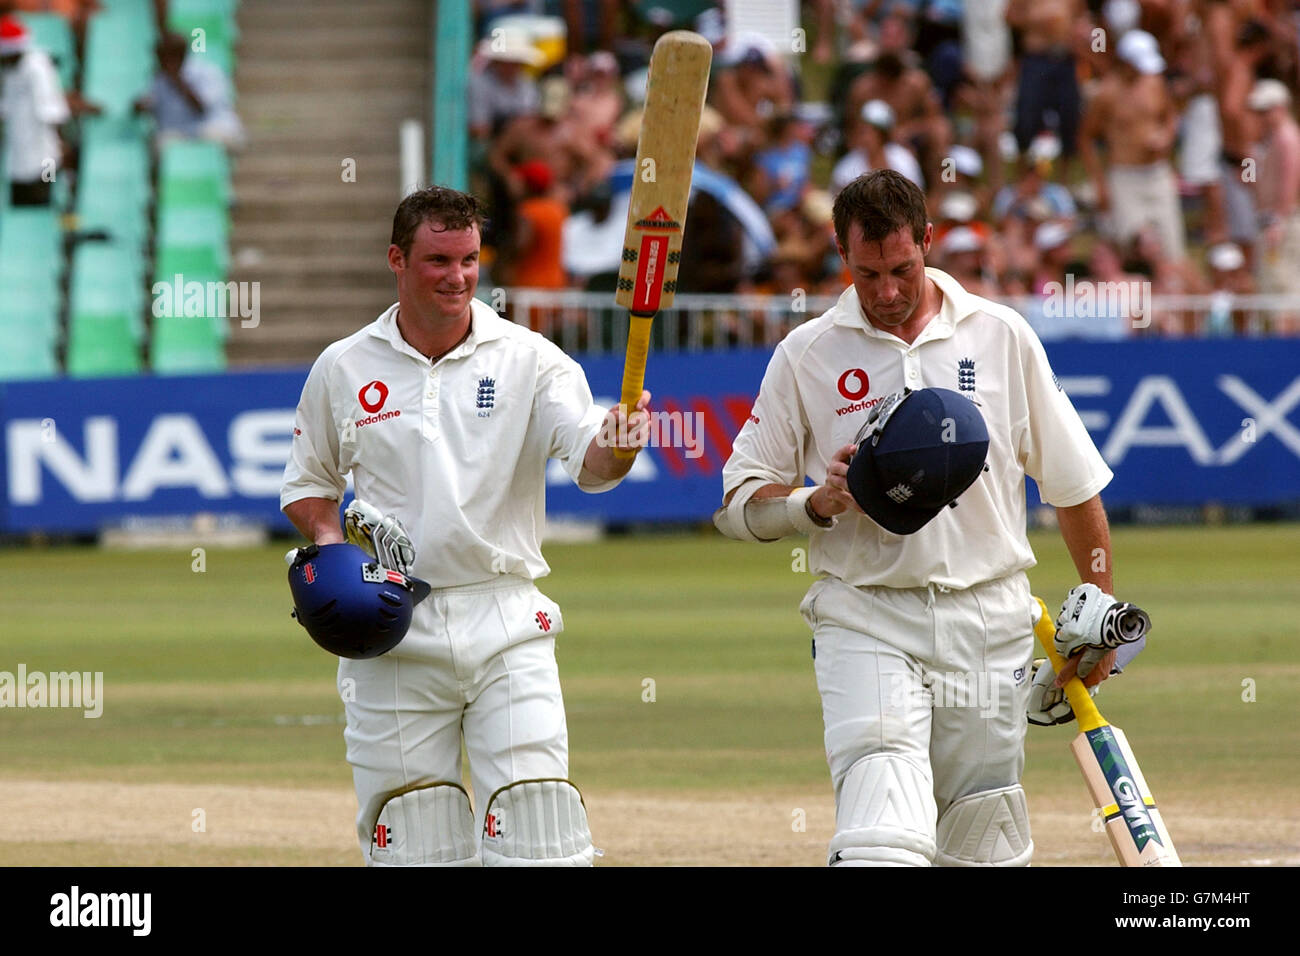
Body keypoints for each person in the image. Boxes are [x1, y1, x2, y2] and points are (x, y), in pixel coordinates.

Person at [715, 170, 1126, 867]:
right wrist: (814, 503)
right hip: (866, 615)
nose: (886, 292)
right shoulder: (808, 354)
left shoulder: (1001, 335)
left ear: (929, 243)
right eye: (866, 272)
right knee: (883, 835)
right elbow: (735, 506)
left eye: (902, 269)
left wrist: (1100, 608)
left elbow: (1074, 486)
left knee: (981, 843)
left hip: (991, 620)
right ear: (841, 256)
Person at [280, 186, 650, 866]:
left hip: (506, 618)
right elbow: (309, 487)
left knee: (541, 834)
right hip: (391, 623)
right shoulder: (344, 365)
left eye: (470, 260)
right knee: (413, 845)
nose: (457, 277)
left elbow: (591, 460)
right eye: (438, 261)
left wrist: (618, 443)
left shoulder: (530, 358)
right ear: (397, 259)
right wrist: (333, 554)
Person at [0, 13, 69, 205]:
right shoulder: (8, 72)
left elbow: (52, 111)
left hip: (47, 155)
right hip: (18, 156)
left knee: (47, 199)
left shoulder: (38, 68)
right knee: (21, 205)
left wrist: (61, 144)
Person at [135, 31, 244, 148]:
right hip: (179, 133)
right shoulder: (158, 79)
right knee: (160, 144)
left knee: (215, 138)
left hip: (212, 126)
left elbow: (201, 108)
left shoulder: (206, 72)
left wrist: (177, 81)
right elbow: (149, 104)